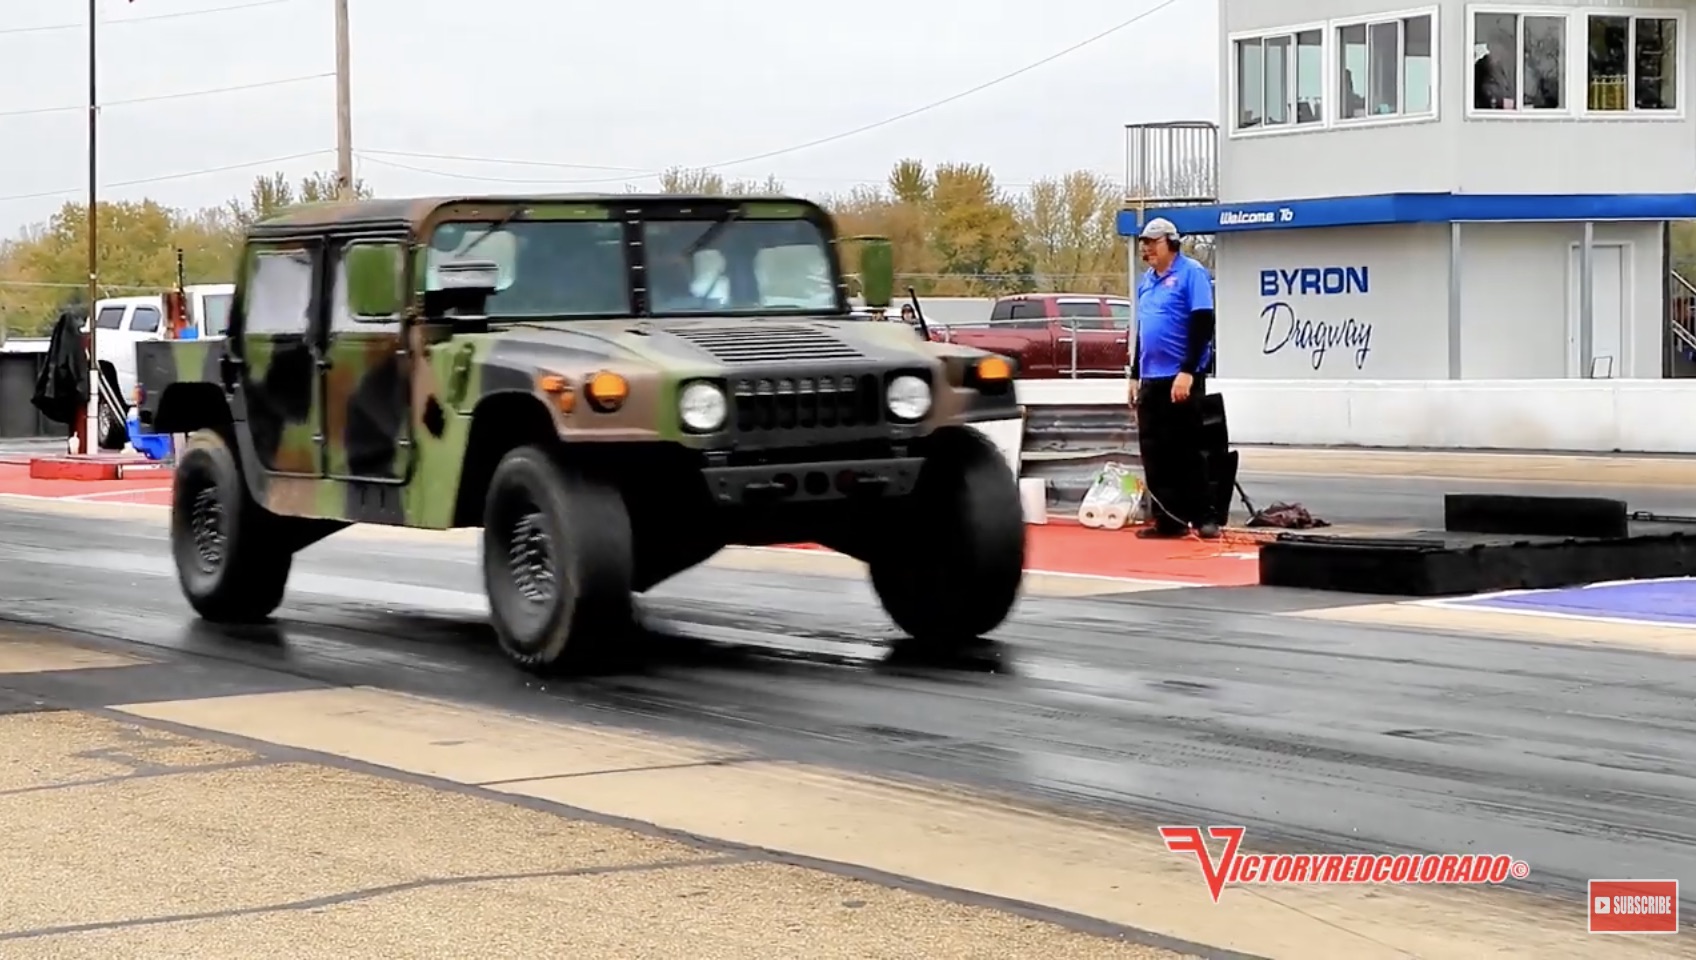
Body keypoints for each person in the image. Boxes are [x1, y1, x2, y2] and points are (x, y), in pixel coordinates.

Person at [1128, 217, 1219, 540]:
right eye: (1144, 244)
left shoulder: (1191, 273)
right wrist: (1135, 374)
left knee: (1189, 450)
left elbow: (1202, 324)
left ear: (1170, 242)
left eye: (1153, 243)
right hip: (1152, 376)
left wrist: (1188, 370)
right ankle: (1169, 518)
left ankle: (1204, 515)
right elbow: (1142, 332)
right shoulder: (1147, 281)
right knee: (1155, 452)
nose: (1147, 249)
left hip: (1180, 377)